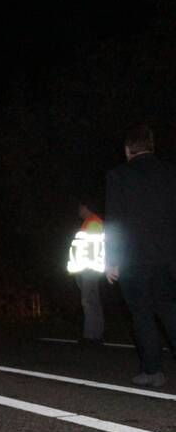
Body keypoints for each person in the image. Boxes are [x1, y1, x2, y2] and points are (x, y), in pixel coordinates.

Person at [105, 123, 176, 387]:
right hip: (168, 259)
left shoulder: (119, 175)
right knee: (170, 311)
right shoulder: (170, 173)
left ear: (128, 149)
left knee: (142, 314)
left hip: (134, 259)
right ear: (151, 145)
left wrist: (111, 260)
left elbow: (115, 220)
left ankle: (153, 370)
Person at [74, 201, 105, 345]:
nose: (79, 210)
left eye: (81, 207)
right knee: (93, 302)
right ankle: (96, 335)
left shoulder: (92, 222)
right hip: (91, 268)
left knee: (88, 302)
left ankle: (91, 336)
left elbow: (92, 246)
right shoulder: (91, 222)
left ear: (86, 207)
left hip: (89, 268)